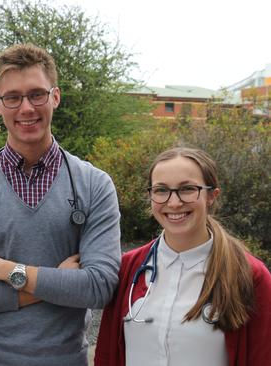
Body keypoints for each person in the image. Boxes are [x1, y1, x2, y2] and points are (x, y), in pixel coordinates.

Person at [0, 43, 121, 365]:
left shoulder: (94, 185)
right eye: (13, 97)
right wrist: (52, 281)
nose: (26, 108)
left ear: (55, 96)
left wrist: (7, 270)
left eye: (36, 94)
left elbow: (99, 286)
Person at [94, 147, 271, 366]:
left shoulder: (250, 275)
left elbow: (262, 357)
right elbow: (106, 355)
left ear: (212, 196)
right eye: (161, 190)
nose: (174, 202)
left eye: (187, 189)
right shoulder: (127, 268)